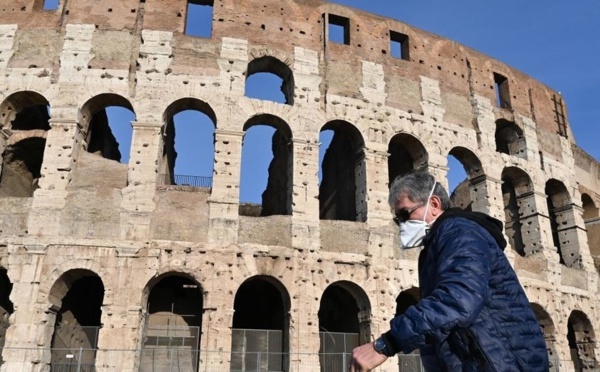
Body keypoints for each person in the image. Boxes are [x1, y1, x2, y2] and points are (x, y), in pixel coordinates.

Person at [349, 171, 549, 371]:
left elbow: (458, 299)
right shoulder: (439, 243)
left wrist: (386, 344)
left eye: (405, 214)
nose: (402, 224)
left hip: (502, 363)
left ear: (434, 205)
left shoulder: (461, 233)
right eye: (397, 220)